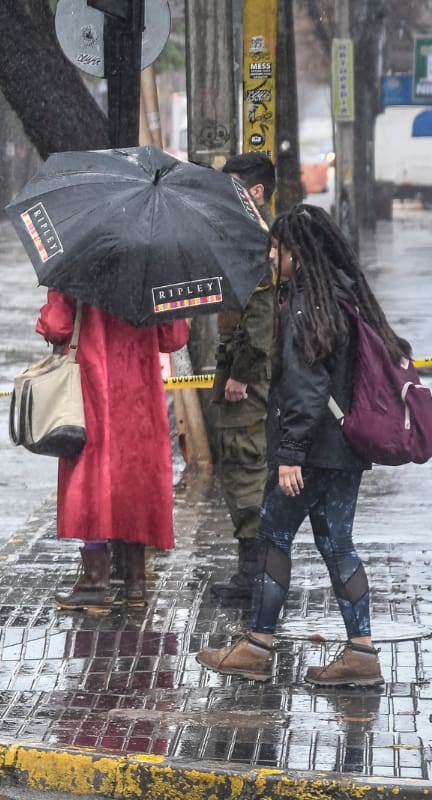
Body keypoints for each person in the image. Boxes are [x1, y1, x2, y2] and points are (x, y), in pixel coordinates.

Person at [196, 204, 407, 686]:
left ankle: (257, 646)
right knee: (338, 545)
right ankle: (362, 652)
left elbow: (308, 386)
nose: (274, 256)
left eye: (278, 248)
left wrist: (290, 453)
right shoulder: (344, 296)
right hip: (344, 448)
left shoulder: (307, 304)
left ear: (296, 252)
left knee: (273, 536)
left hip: (311, 451)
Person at [36, 292, 190, 613]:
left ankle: (95, 582)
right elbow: (173, 337)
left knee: (92, 479)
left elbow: (56, 326)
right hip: (140, 395)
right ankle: (135, 583)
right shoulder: (156, 270)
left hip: (93, 390)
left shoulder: (79, 267)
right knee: (134, 478)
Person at [208, 152, 277, 601]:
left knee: (246, 465)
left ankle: (255, 575)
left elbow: (262, 319)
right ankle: (254, 570)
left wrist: (242, 375)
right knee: (243, 465)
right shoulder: (250, 235)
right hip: (245, 370)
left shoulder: (258, 239)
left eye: (234, 187)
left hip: (249, 379)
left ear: (255, 191)